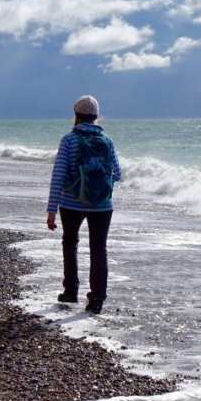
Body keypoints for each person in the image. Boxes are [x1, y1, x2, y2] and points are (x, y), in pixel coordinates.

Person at [46, 94, 122, 314]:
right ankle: (97, 300)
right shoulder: (108, 140)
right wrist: (98, 186)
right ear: (96, 116)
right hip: (103, 205)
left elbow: (58, 175)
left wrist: (51, 210)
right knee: (99, 249)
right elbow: (117, 174)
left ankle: (71, 291)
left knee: (70, 242)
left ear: (76, 115)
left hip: (72, 203)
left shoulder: (69, 140)